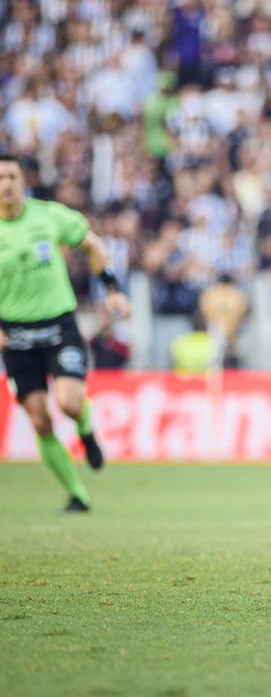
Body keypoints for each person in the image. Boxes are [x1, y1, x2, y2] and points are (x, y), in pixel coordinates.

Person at [0, 154, 131, 512]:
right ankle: (78, 494)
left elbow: (92, 244)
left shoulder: (49, 216)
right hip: (16, 335)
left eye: (11, 176)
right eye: (0, 178)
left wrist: (113, 289)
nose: (6, 184)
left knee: (69, 403)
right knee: (39, 419)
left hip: (59, 325)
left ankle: (85, 427)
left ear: (22, 181)